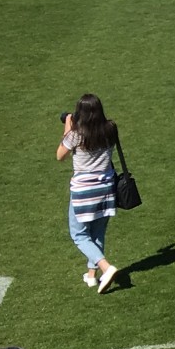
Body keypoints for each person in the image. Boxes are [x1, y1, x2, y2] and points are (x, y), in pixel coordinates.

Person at [57, 94, 122, 293]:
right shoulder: (110, 128)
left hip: (83, 191)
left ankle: (105, 267)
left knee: (79, 235)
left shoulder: (76, 134)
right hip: (106, 189)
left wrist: (68, 125)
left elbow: (60, 155)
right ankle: (92, 277)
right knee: (97, 232)